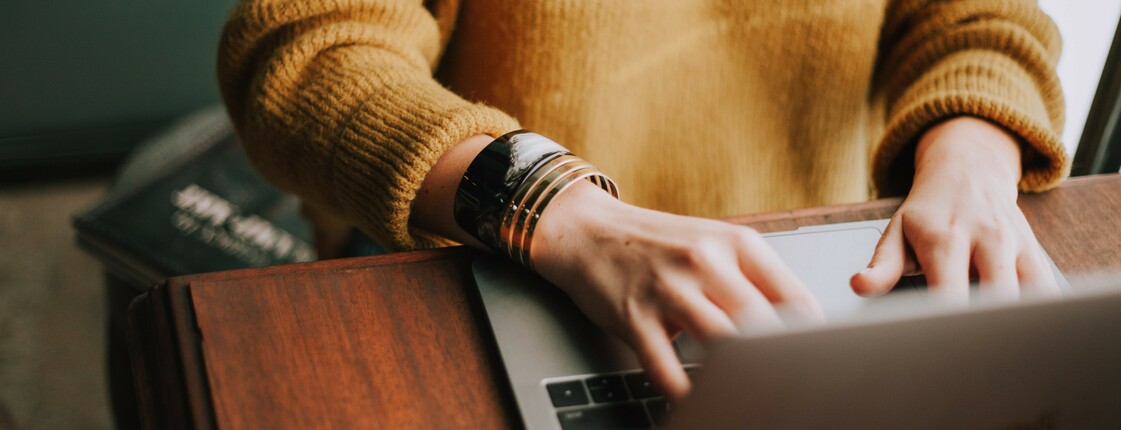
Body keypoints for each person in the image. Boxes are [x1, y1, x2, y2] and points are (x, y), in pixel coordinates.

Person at [217, 0, 1069, 400]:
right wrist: (557, 208)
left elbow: (980, 16)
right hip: (493, 269)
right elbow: (306, 52)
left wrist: (972, 152)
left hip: (810, 289)